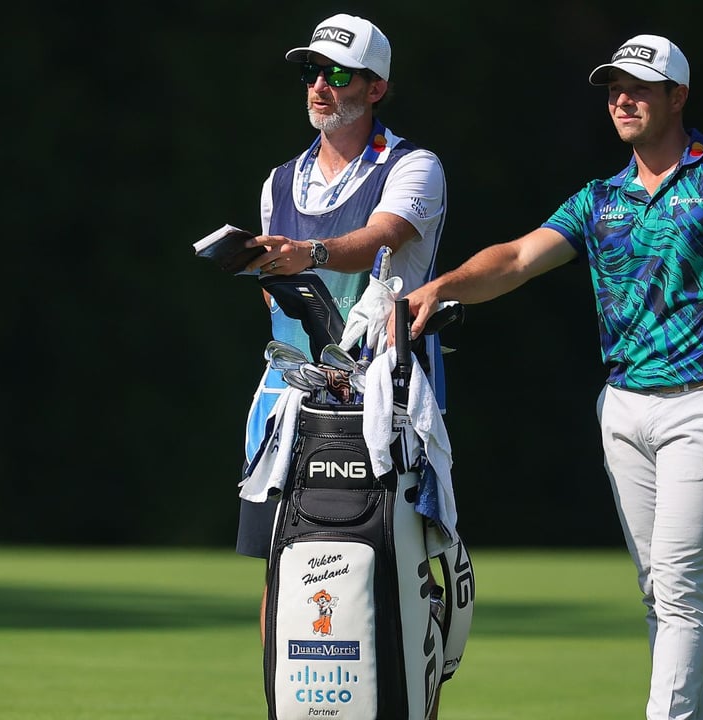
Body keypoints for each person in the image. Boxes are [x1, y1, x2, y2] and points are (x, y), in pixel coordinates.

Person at [403, 34, 703, 720]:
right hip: (624, 410)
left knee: (678, 588)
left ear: (679, 96)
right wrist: (442, 287)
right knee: (658, 589)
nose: (624, 98)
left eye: (640, 87)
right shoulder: (601, 198)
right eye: (614, 87)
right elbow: (520, 257)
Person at [232, 13, 449, 715]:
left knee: (394, 570)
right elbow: (279, 295)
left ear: (377, 86)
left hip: (387, 402)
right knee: (280, 569)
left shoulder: (413, 167)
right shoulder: (278, 180)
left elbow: (381, 237)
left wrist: (310, 255)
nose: (321, 86)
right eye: (312, 72)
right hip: (287, 402)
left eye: (339, 73)